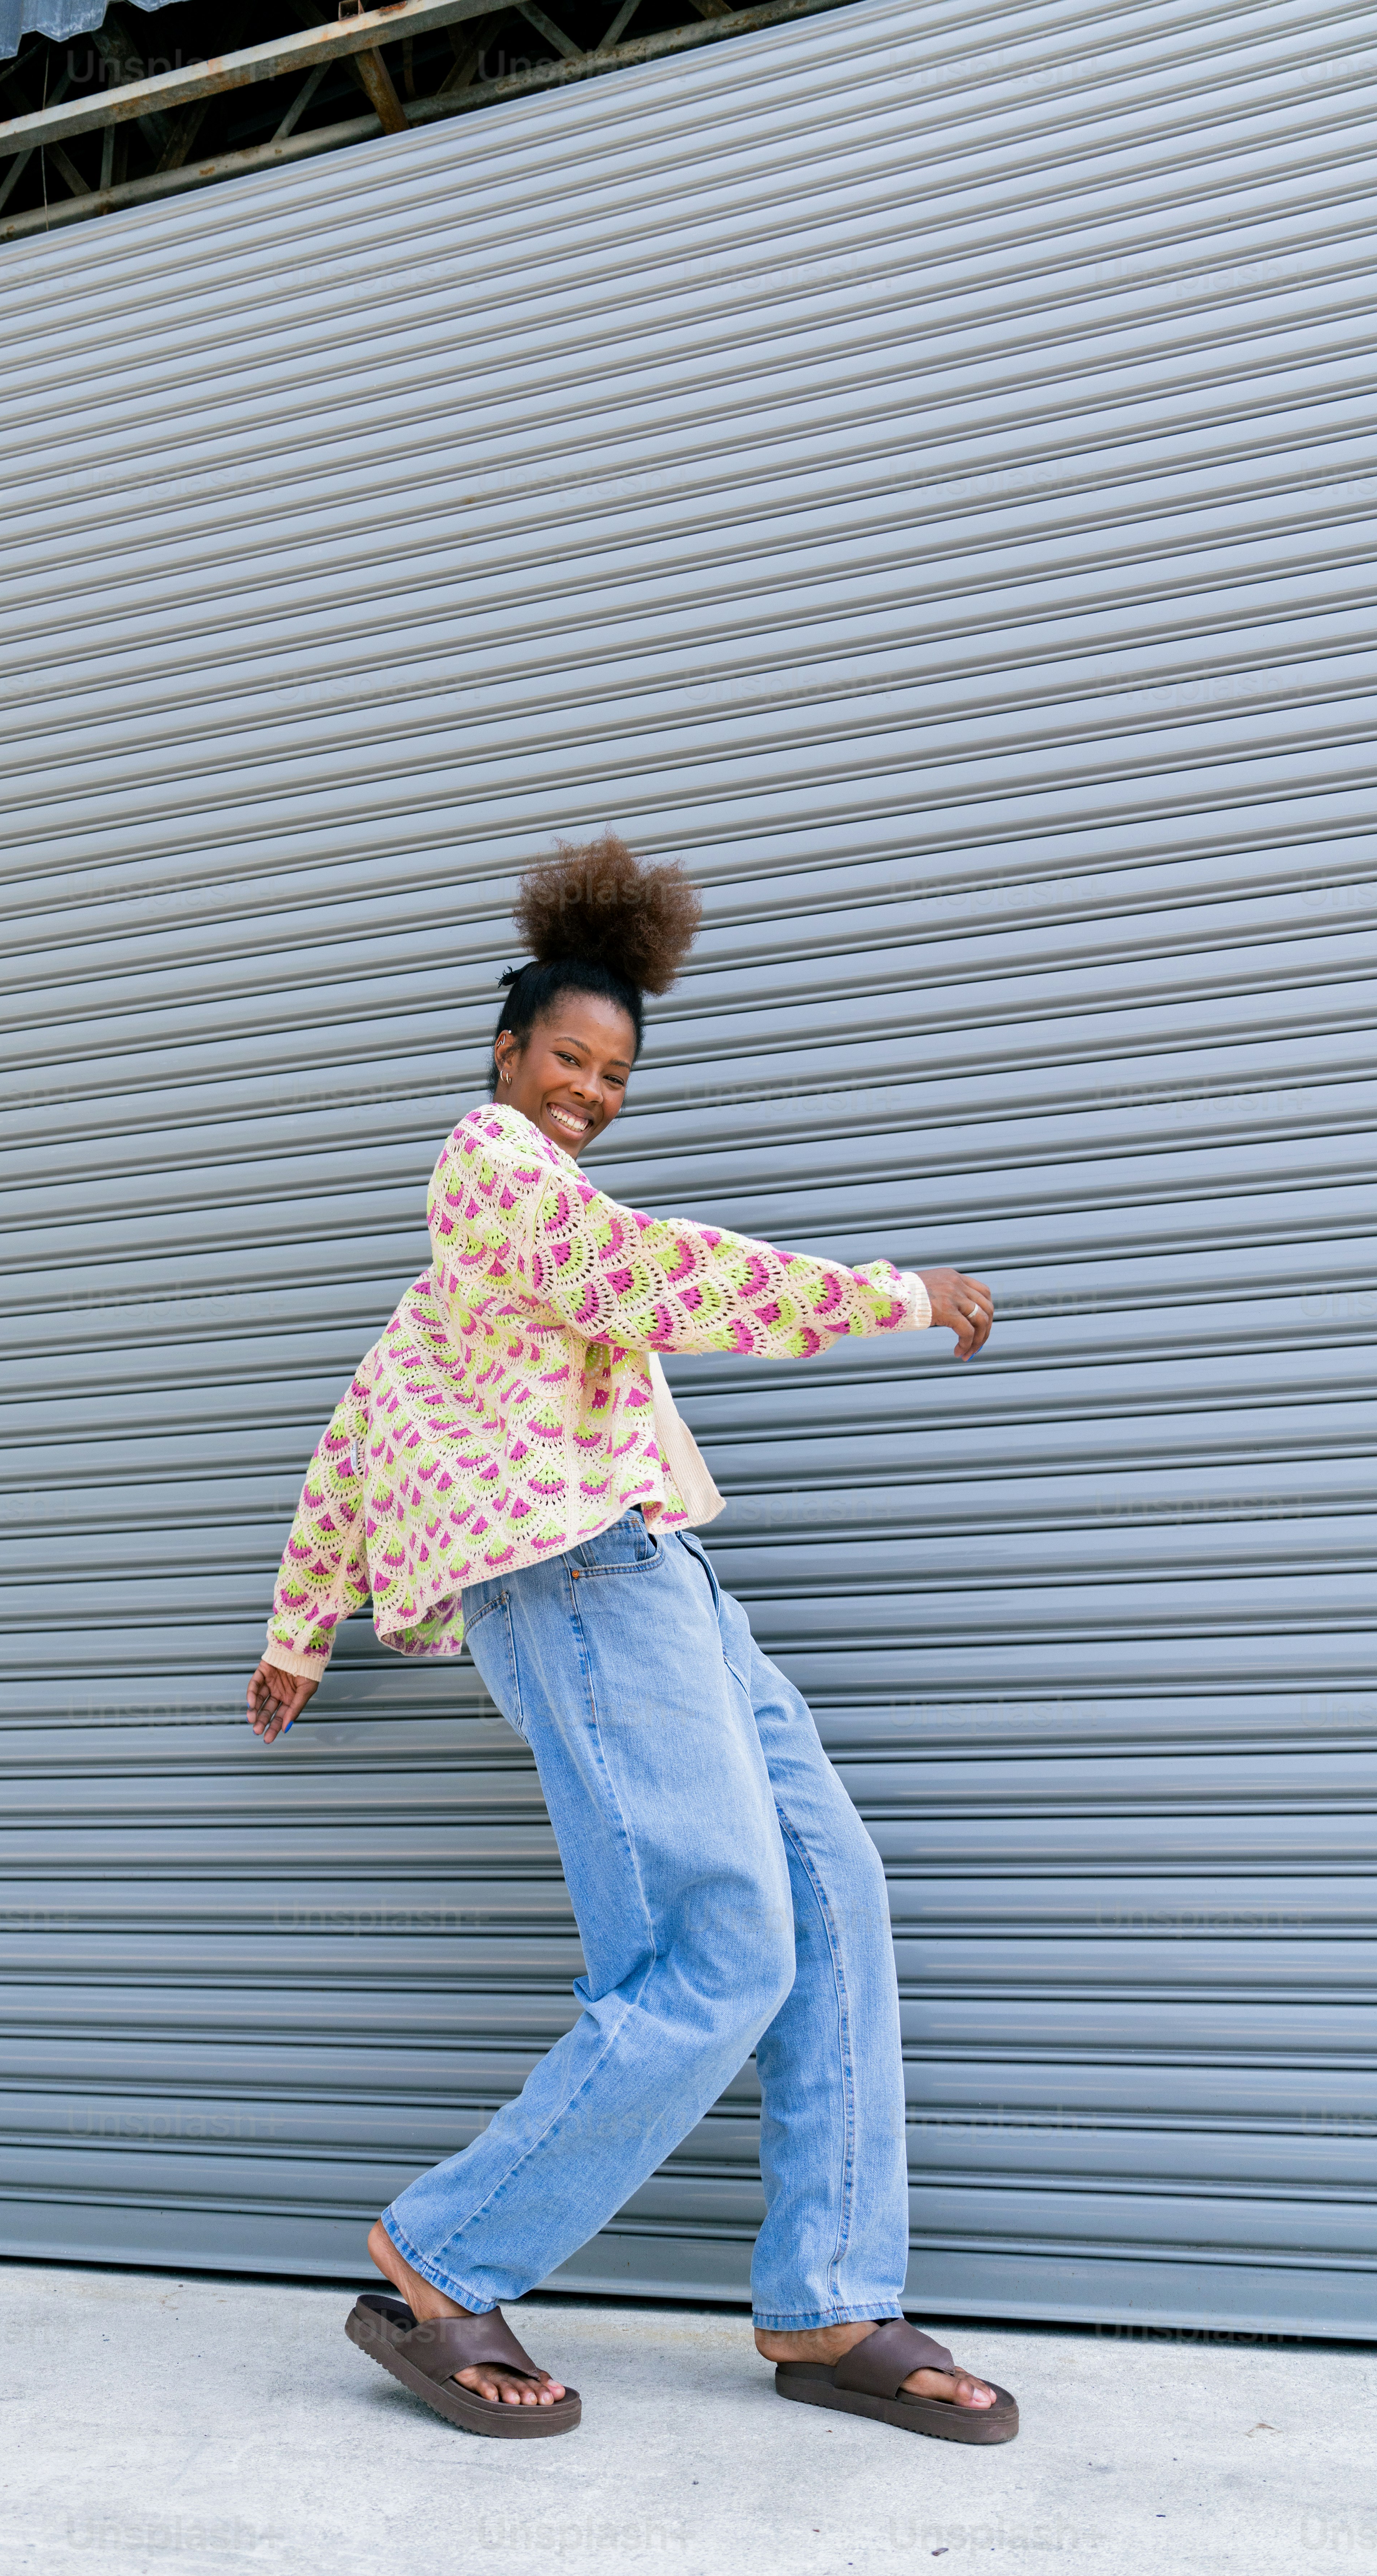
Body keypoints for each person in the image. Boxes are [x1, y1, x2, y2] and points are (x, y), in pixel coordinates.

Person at [246, 836, 1014, 2447]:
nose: (586, 1092)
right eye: (565, 1060)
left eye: (611, 1074)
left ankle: (830, 2299)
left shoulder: (472, 1277)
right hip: (579, 1583)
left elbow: (356, 1430)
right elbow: (659, 1271)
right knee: (717, 1943)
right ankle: (440, 2256)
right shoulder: (493, 1171)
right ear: (505, 1054)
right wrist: (890, 1293)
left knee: (830, 1891)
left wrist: (300, 1630)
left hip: (665, 1579)